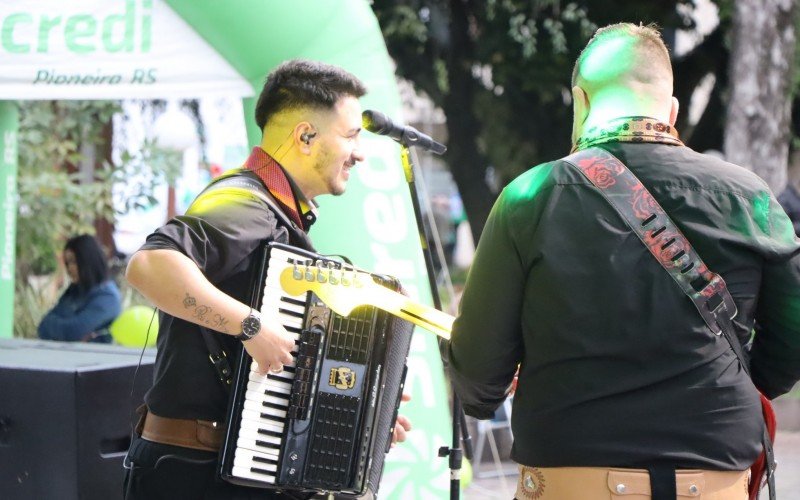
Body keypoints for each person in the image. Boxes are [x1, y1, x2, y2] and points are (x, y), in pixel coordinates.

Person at [442, 23, 800, 499]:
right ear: (670, 111)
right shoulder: (748, 196)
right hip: (714, 483)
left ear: (581, 103)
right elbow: (793, 334)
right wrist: (731, 382)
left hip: (570, 484)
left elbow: (477, 375)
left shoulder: (527, 198)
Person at [124, 59, 411, 499]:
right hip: (193, 473)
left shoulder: (278, 217)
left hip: (217, 470)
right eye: (351, 135)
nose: (360, 152)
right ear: (305, 136)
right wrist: (250, 325)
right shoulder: (245, 203)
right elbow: (150, 264)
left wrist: (358, 418)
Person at [38, 234, 122, 343]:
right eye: (67, 263)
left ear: (88, 260)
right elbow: (43, 327)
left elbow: (73, 332)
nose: (69, 268)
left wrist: (54, 324)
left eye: (73, 262)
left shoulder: (107, 297)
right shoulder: (74, 291)